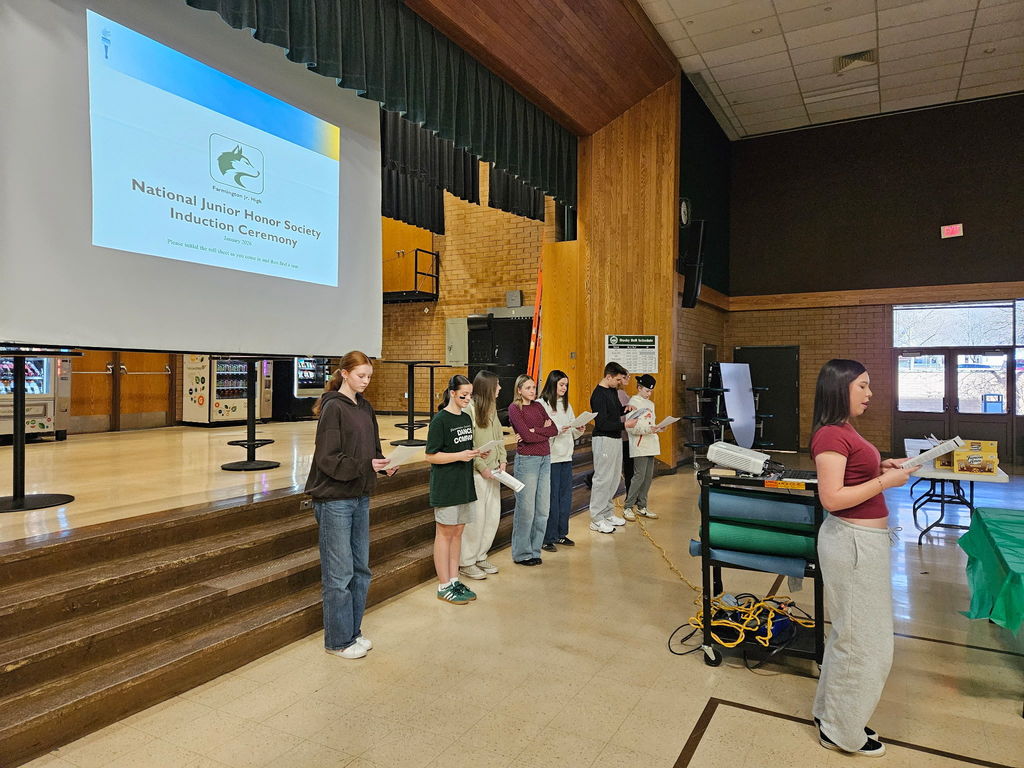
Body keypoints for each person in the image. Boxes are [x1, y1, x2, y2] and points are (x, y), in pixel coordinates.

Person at [810, 359, 914, 757]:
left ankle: (833, 716)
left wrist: (881, 466)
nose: (870, 394)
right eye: (863, 387)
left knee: (851, 637)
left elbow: (856, 473)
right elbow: (832, 498)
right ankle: (841, 730)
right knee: (866, 644)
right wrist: (886, 481)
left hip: (861, 544)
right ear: (841, 389)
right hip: (851, 543)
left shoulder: (845, 430)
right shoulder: (831, 436)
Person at [305, 351, 397, 659]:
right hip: (335, 499)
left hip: (360, 494)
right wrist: (365, 465)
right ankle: (338, 640)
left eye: (369, 377)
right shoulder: (334, 409)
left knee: (361, 569)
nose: (366, 382)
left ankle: (353, 631)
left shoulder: (365, 407)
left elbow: (373, 449)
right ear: (344, 373)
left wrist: (382, 465)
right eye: (361, 376)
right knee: (339, 573)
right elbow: (328, 458)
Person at [425, 375, 486, 604]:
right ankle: (443, 585)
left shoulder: (465, 418)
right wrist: (459, 456)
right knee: (444, 532)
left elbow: (465, 447)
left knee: (458, 531)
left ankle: (454, 578)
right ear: (452, 393)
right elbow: (431, 455)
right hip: (446, 484)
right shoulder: (440, 420)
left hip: (463, 482)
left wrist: (477, 453)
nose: (467, 399)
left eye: (470, 395)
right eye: (463, 395)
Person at [458, 370, 507, 581]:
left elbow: (499, 437)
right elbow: (471, 444)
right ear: (488, 387)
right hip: (478, 474)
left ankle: (480, 555)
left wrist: (502, 459)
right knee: (475, 520)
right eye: (497, 385)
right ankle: (466, 561)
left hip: (494, 471)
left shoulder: (493, 409)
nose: (500, 389)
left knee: (491, 517)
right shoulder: (469, 410)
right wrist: (481, 467)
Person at [507, 374, 559, 565]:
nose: (532, 391)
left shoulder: (538, 406)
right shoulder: (515, 408)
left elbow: (553, 429)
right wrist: (536, 432)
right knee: (526, 509)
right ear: (519, 390)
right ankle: (522, 553)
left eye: (533, 387)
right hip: (527, 460)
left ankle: (535, 550)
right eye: (528, 388)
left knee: (542, 508)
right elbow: (526, 438)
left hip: (545, 458)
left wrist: (533, 430)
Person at [588, 362, 637, 534]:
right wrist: (625, 425)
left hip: (615, 438)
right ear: (608, 377)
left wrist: (626, 409)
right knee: (602, 479)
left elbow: (615, 412)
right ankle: (596, 518)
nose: (619, 382)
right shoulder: (598, 395)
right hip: (603, 439)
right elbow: (602, 423)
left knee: (614, 478)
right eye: (617, 379)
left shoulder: (612, 390)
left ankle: (607, 512)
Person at [623, 373, 664, 521]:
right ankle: (628, 506)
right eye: (647, 390)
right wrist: (648, 429)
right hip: (640, 444)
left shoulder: (651, 404)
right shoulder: (633, 402)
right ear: (639, 388)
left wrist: (657, 428)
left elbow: (650, 423)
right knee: (638, 476)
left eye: (651, 391)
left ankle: (642, 506)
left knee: (647, 477)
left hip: (651, 444)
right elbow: (631, 428)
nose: (649, 393)